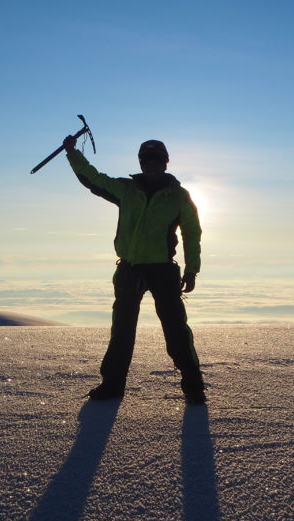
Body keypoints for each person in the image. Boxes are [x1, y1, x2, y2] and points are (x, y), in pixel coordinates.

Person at [63, 136, 206, 405]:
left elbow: (192, 234)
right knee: (122, 331)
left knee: (176, 330)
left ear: (165, 162)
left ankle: (194, 386)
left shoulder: (179, 196)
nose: (151, 164)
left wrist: (192, 270)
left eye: (157, 159)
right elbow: (93, 178)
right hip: (130, 270)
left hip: (163, 271)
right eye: (146, 159)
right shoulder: (126, 189)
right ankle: (112, 385)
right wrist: (72, 152)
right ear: (141, 162)